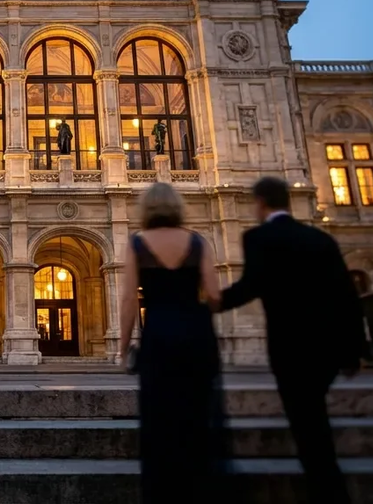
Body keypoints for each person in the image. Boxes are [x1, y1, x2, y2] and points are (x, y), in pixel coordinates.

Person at [219, 176, 363, 504]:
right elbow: (347, 296)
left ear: (261, 203)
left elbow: (250, 286)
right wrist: (354, 351)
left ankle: (324, 484)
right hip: (326, 347)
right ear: (287, 201)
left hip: (289, 347)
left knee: (305, 418)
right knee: (314, 414)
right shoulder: (320, 239)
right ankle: (327, 482)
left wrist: (211, 303)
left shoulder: (259, 237)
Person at [119, 182, 230, 503]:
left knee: (160, 419)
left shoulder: (138, 243)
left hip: (159, 335)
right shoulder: (197, 241)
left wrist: (123, 346)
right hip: (197, 334)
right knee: (196, 415)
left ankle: (165, 492)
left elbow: (128, 300)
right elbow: (212, 296)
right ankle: (199, 489)